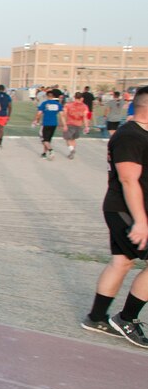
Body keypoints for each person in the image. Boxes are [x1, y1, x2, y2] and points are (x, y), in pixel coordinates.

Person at [81, 87, 148, 347]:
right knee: (124, 262)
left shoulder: (141, 134)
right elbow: (129, 180)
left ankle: (96, 318)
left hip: (132, 210)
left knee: (121, 262)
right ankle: (127, 319)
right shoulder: (130, 136)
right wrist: (141, 221)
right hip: (126, 210)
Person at [34, 90, 64, 160]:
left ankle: (50, 150)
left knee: (44, 139)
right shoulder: (58, 104)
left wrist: (36, 120)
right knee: (48, 140)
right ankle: (44, 153)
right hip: (54, 124)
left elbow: (39, 113)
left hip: (46, 123)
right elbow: (62, 115)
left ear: (47, 96)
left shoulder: (45, 103)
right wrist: (62, 124)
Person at [62, 92, 90, 160]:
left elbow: (63, 115)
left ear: (74, 97)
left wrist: (64, 124)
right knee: (73, 139)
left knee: (68, 139)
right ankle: (72, 151)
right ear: (81, 98)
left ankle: (71, 150)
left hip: (69, 123)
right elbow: (85, 117)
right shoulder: (85, 106)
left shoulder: (68, 105)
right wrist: (86, 126)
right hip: (78, 124)